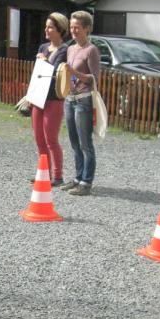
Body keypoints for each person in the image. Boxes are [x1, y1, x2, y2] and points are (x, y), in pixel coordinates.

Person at [61, 11, 100, 196]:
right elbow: (68, 73)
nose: (73, 31)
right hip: (69, 99)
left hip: (83, 100)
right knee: (74, 142)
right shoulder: (70, 48)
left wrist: (75, 73)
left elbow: (94, 79)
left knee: (85, 143)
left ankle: (86, 182)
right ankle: (78, 177)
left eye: (77, 27)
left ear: (87, 29)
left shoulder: (91, 50)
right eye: (71, 27)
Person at [31, 12, 70, 186]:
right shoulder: (43, 47)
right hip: (38, 97)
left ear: (60, 30)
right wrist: (30, 95)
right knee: (39, 139)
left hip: (54, 99)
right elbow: (38, 73)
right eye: (46, 27)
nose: (46, 30)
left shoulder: (65, 50)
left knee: (51, 139)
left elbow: (56, 72)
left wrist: (45, 60)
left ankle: (58, 176)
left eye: (50, 27)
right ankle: (44, 173)